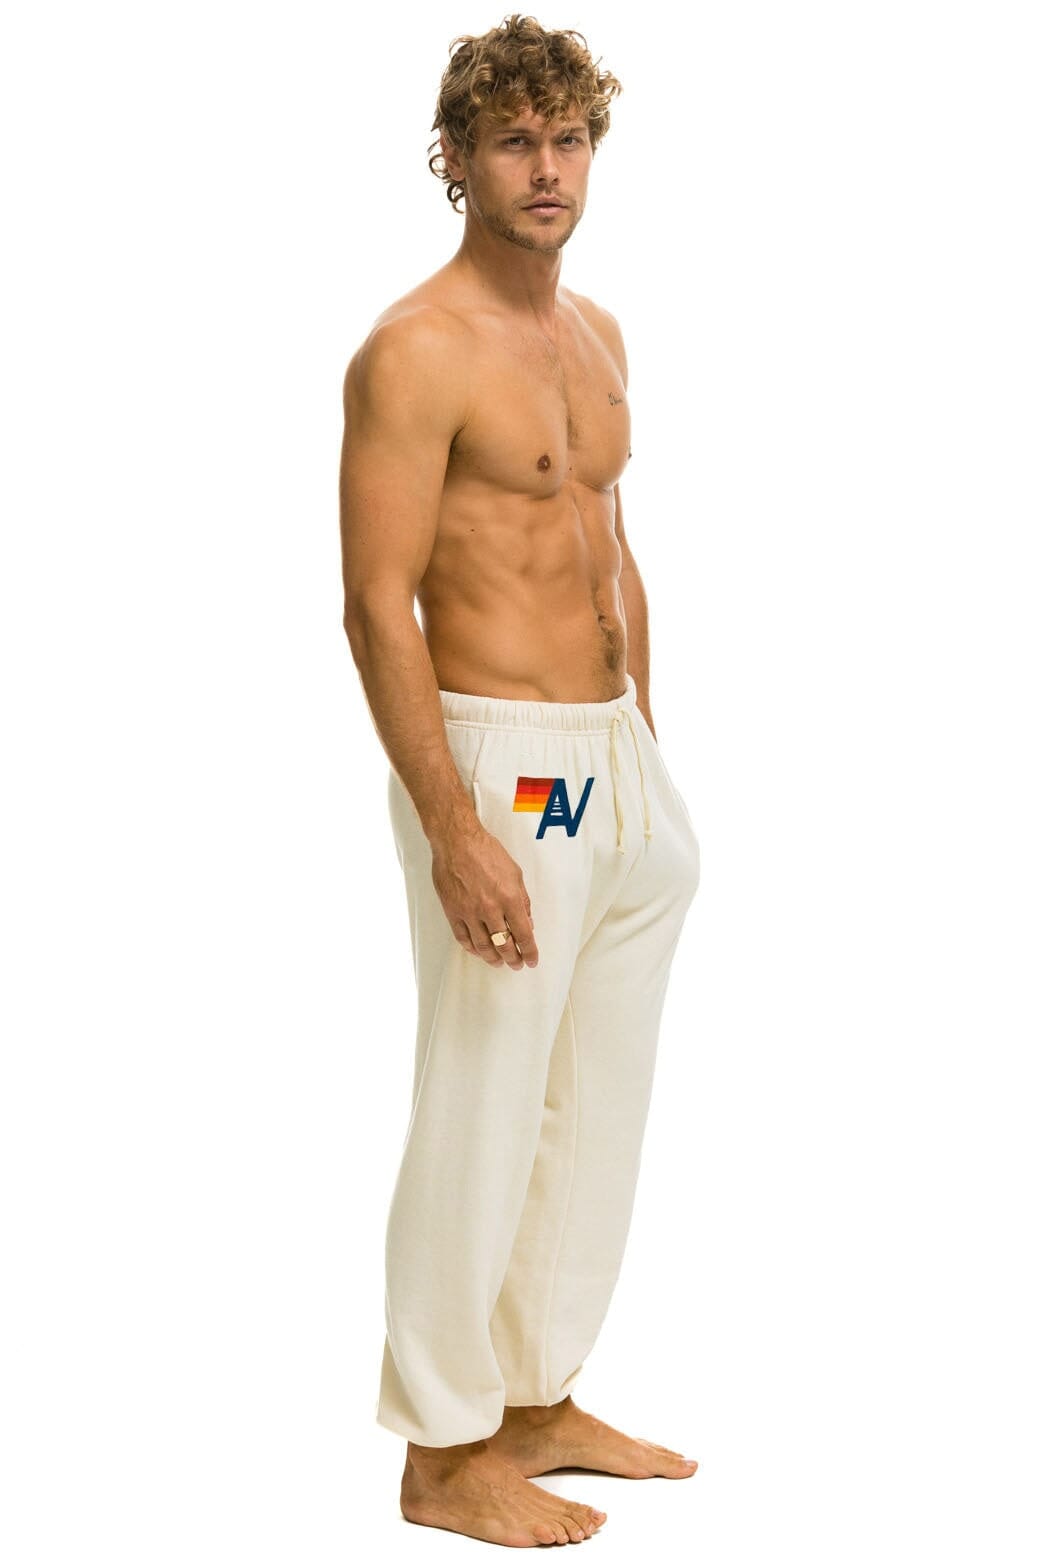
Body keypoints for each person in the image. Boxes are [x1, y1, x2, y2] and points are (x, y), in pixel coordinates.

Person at [338, 13, 701, 1548]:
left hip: (609, 764)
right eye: (512, 142)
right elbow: (377, 602)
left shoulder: (596, 332)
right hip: (504, 759)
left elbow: (610, 544)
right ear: (456, 159)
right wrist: (452, 826)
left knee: (594, 1099)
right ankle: (441, 1451)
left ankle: (535, 1396)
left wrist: (646, 748)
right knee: (484, 1100)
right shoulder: (416, 350)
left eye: (568, 140)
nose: (547, 169)